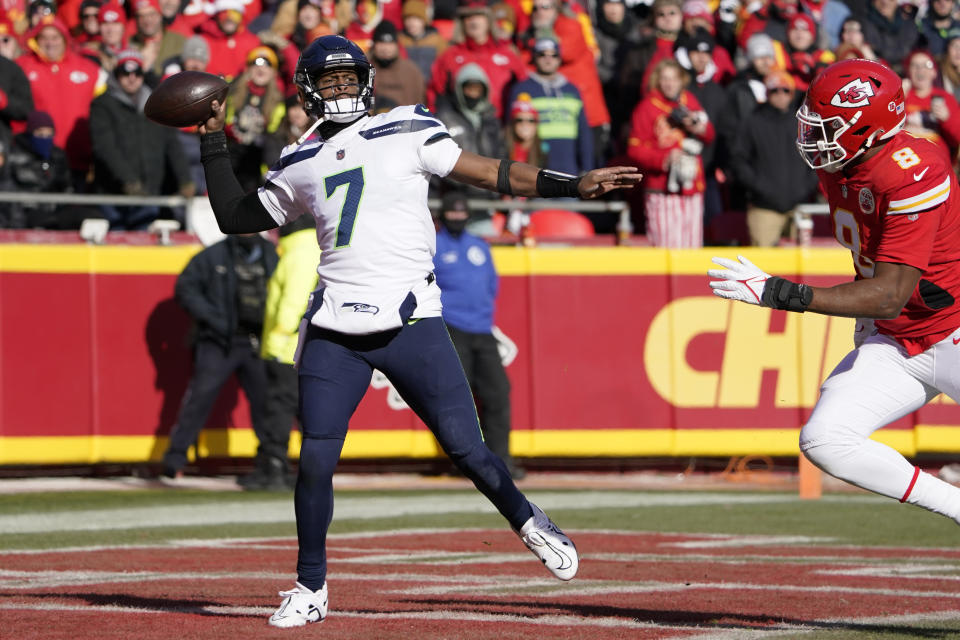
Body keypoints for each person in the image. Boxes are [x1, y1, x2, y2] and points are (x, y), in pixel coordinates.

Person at [195, 34, 640, 627]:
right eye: (329, 82)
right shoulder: (299, 161)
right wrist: (211, 140)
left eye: (349, 79)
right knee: (316, 459)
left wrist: (569, 184)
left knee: (467, 449)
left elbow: (488, 172)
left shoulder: (407, 128)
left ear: (367, 82)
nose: (341, 90)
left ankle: (528, 519)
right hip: (335, 323)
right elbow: (234, 216)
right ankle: (310, 587)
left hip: (409, 317)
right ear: (306, 91)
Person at [708, 59, 960, 535]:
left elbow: (888, 293)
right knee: (826, 439)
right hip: (899, 340)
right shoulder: (843, 165)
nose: (813, 136)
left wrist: (777, 292)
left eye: (828, 127)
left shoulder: (913, 169)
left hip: (953, 330)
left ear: (868, 127)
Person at [161, 232, 279, 480]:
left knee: (266, 404)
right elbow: (185, 287)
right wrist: (214, 320)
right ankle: (175, 459)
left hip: (257, 341)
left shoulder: (270, 253)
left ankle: (270, 463)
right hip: (219, 342)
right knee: (199, 398)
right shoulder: (214, 255)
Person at [433, 190, 522, 479]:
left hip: (483, 329)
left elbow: (491, 285)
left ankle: (501, 460)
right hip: (452, 327)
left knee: (498, 393)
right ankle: (467, 462)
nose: (457, 217)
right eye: (452, 213)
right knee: (459, 397)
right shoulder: (433, 245)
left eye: (461, 213)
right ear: (443, 216)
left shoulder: (479, 246)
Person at [240, 215, 321, 490]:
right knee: (304, 411)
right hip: (302, 346)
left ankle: (273, 469)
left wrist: (277, 337)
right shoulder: (313, 248)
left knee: (278, 411)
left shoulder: (299, 252)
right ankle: (307, 470)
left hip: (286, 348)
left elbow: (294, 300)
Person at [89, 49, 195, 230]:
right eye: (125, 73)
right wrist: (128, 180)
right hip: (114, 193)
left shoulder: (157, 105)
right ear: (117, 74)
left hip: (149, 192)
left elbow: (172, 144)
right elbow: (105, 147)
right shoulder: (102, 104)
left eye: (137, 73)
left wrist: (185, 179)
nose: (132, 78)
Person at [627, 58, 713, 247]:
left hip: (691, 185)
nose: (669, 83)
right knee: (666, 246)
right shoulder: (647, 107)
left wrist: (697, 127)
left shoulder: (688, 100)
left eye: (673, 79)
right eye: (665, 79)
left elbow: (710, 134)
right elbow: (634, 149)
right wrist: (663, 159)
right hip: (662, 187)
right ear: (657, 81)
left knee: (692, 246)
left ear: (681, 80)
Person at [729, 70, 818, 246]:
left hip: (799, 207)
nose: (780, 95)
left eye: (785, 90)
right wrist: (759, 187)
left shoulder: (802, 123)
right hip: (763, 208)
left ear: (792, 94)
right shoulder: (752, 122)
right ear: (767, 93)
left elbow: (815, 158)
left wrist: (805, 188)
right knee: (764, 266)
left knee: (802, 267)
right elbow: (738, 160)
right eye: (775, 90)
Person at [507, 37, 593, 177]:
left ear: (559, 59)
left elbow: (583, 132)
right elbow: (510, 132)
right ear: (534, 57)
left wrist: (587, 168)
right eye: (542, 54)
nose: (548, 59)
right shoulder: (521, 89)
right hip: (533, 172)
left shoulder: (572, 90)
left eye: (553, 55)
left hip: (569, 172)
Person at [369, 20, 425, 108]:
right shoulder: (366, 70)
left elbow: (420, 104)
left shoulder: (411, 71)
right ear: (374, 45)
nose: (386, 48)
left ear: (396, 45)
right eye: (381, 43)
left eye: (390, 43)